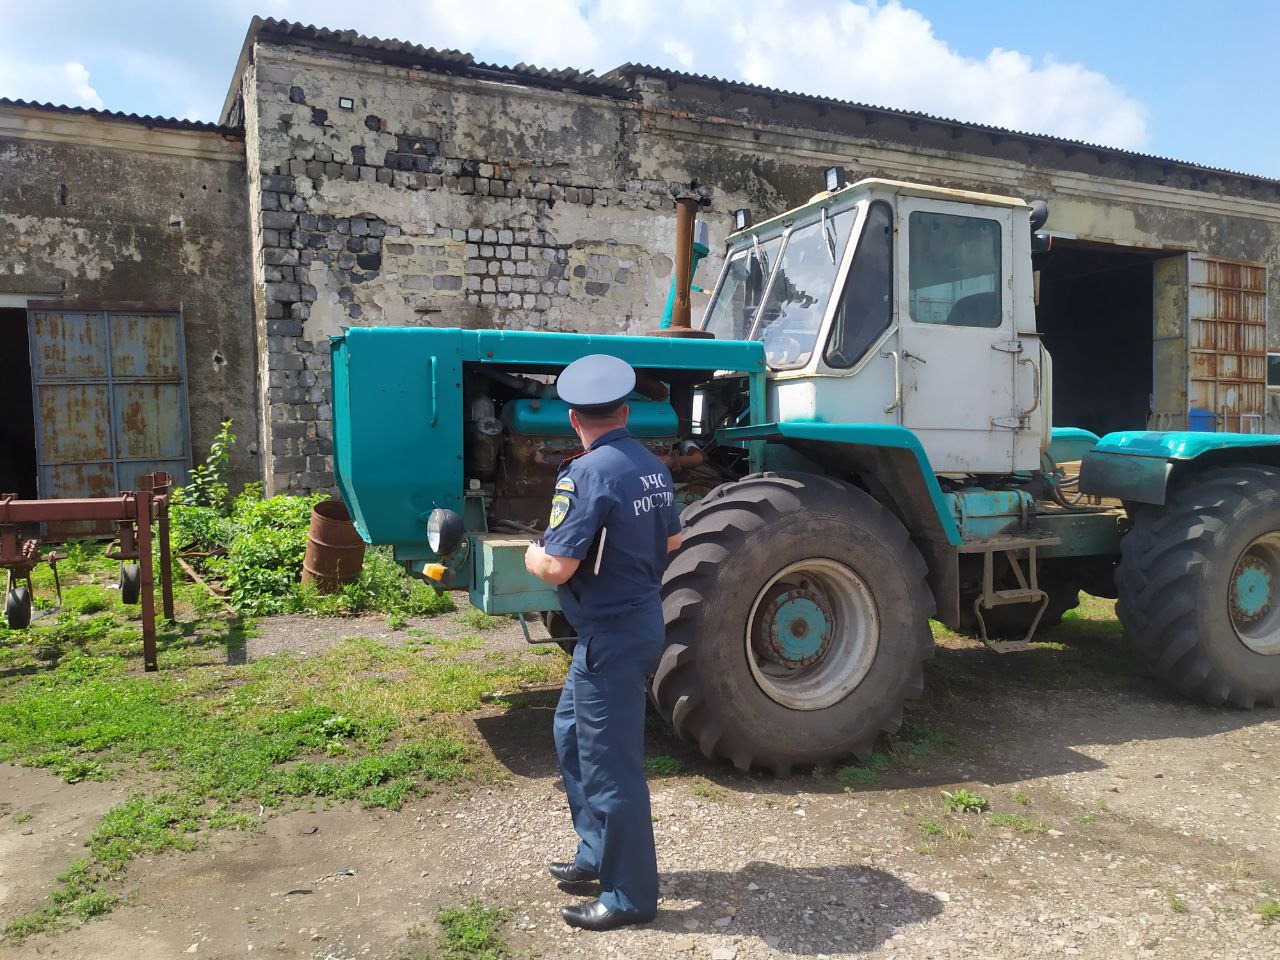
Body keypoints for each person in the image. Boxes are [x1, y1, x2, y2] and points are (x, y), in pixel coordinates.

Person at [524, 353, 683, 932]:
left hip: (611, 636)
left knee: (612, 767)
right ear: (624, 410)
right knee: (570, 735)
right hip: (634, 622)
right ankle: (596, 851)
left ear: (574, 418)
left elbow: (559, 567)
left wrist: (533, 555)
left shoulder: (586, 473)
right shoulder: (651, 465)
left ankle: (630, 896)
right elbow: (672, 541)